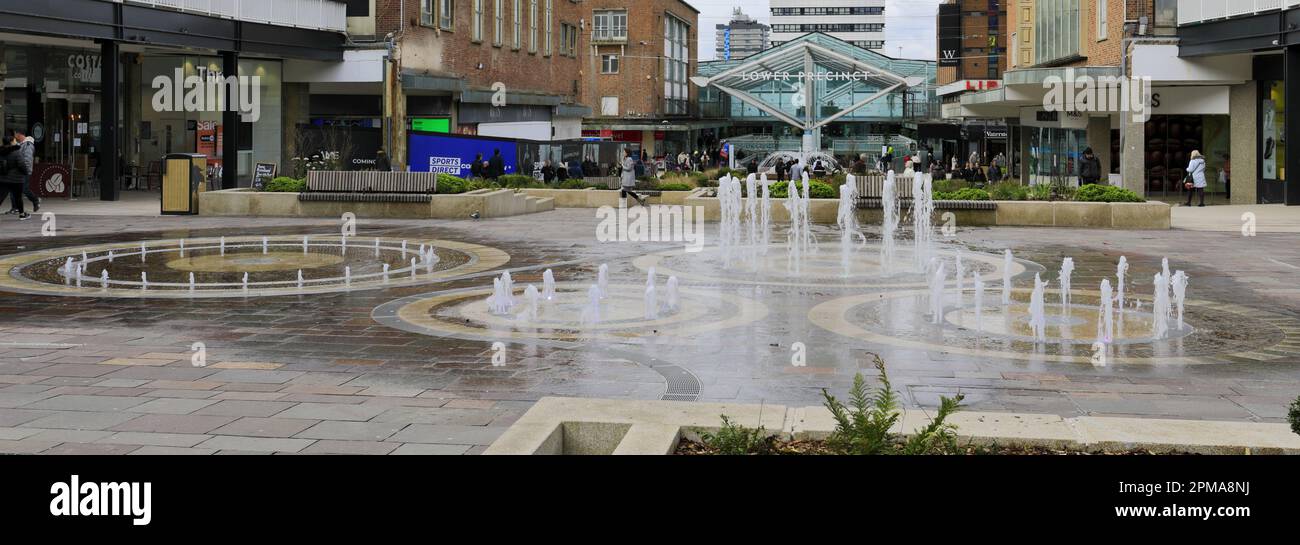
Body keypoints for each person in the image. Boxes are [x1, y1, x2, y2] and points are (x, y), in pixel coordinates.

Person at [1, 136, 30, 220]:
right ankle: (22, 214)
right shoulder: (17, 152)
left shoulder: (1, 152)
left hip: (3, 178)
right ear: (11, 142)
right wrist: (25, 172)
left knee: (1, 196)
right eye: (14, 140)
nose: (15, 141)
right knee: (18, 197)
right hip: (16, 179)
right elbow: (21, 165)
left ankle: (21, 213)